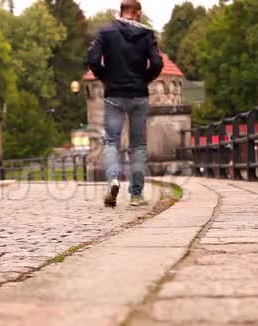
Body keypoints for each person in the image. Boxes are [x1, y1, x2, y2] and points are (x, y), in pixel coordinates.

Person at [87, 0, 163, 208]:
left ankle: (112, 179)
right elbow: (157, 63)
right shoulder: (147, 35)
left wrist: (105, 78)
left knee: (111, 141)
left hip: (114, 94)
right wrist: (145, 79)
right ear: (137, 13)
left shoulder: (106, 31)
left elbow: (93, 58)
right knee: (138, 144)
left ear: (121, 12)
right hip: (139, 94)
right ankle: (136, 195)